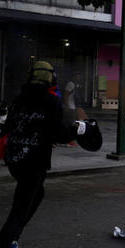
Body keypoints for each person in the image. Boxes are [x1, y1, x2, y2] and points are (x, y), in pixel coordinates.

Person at [0, 61, 84, 248]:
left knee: (36, 194)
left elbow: (7, 127)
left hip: (14, 157)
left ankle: (13, 235)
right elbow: (58, 134)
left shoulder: (19, 98)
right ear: (50, 78)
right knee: (21, 205)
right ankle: (8, 239)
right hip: (34, 161)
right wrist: (76, 132)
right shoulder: (50, 101)